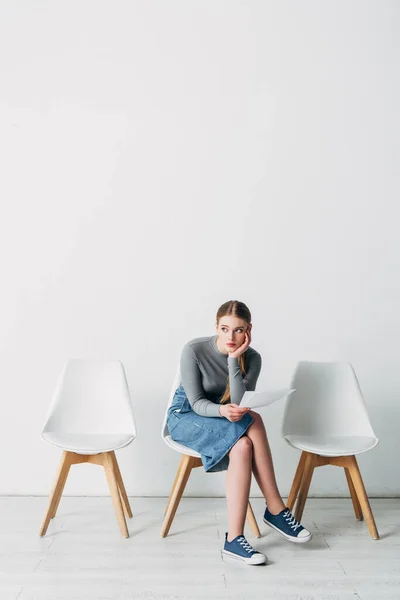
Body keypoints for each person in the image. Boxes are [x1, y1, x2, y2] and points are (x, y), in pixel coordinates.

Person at [166, 300, 312, 565]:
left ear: (249, 330)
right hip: (186, 415)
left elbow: (240, 400)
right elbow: (197, 402)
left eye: (238, 330)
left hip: (224, 417)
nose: (230, 337)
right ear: (216, 327)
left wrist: (234, 360)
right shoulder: (194, 349)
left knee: (245, 442)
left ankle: (234, 539)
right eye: (224, 329)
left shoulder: (252, 357)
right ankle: (275, 508)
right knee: (253, 420)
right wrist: (223, 412)